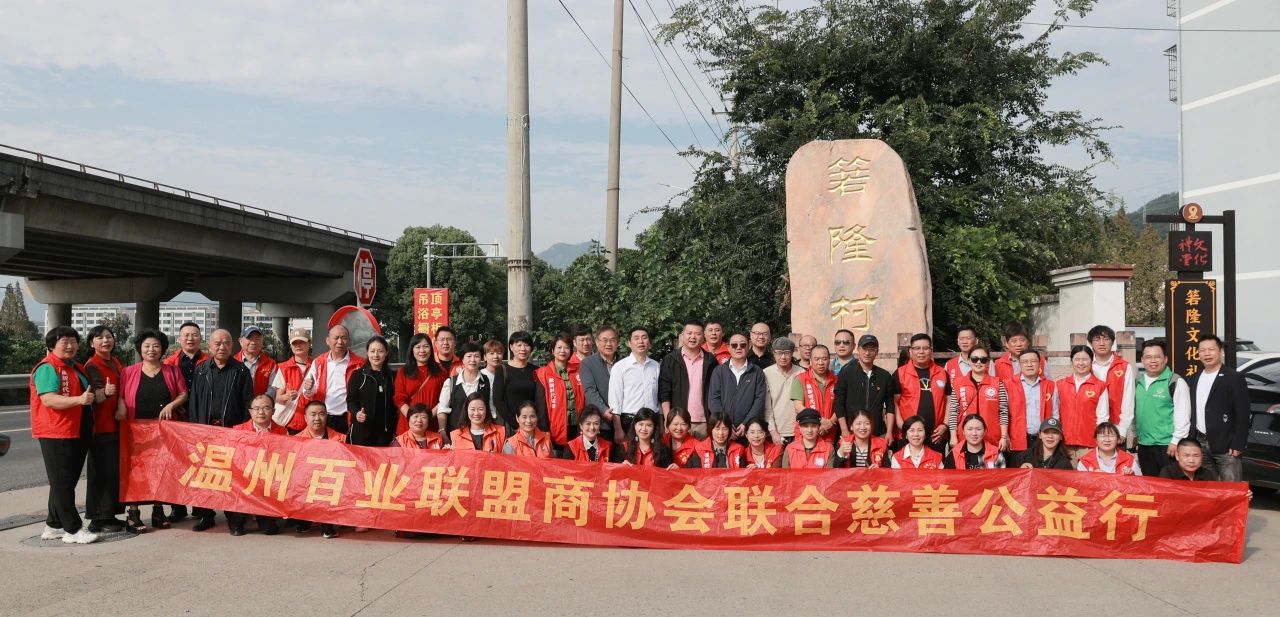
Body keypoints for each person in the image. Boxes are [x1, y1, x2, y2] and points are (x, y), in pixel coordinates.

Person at [30, 326, 100, 544]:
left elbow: (86, 395)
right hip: (56, 431)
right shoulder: (47, 368)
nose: (70, 346)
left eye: (73, 341)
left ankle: (53, 525)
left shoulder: (76, 367)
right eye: (64, 342)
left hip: (77, 429)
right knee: (62, 481)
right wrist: (78, 400)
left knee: (65, 482)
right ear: (52, 345)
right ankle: (73, 529)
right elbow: (49, 398)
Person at [116, 328, 188, 530]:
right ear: (140, 349)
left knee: (161, 470)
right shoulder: (129, 372)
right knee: (135, 471)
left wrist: (171, 405)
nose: (151, 350)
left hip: (163, 429)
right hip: (135, 429)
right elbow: (121, 396)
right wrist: (121, 406)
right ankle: (133, 513)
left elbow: (183, 394)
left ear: (163, 349)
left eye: (156, 346)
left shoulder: (172, 371)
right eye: (146, 346)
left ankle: (158, 511)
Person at [188, 328, 254, 532]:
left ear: (232, 346)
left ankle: (235, 519)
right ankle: (205, 515)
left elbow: (247, 403)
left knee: (232, 477)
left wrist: (242, 430)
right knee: (205, 475)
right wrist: (195, 428)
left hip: (231, 431)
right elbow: (194, 402)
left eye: (226, 342)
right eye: (217, 343)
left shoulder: (241, 371)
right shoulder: (201, 370)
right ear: (209, 346)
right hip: (206, 430)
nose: (221, 346)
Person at [1187, 335, 1251, 482]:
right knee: (1207, 490)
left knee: (1230, 490)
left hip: (1227, 445)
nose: (1207, 354)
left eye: (1211, 349)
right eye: (1202, 350)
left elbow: (1243, 412)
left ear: (1220, 351)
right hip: (1200, 443)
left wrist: (1238, 442)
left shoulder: (1234, 377)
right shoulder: (1196, 377)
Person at [82, 325, 128, 533]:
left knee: (112, 472)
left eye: (108, 337)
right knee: (101, 472)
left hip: (116, 425)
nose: (105, 341)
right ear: (91, 343)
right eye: (99, 338)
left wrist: (118, 400)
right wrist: (107, 393)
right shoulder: (92, 365)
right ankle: (98, 518)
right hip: (101, 427)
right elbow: (96, 395)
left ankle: (109, 514)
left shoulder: (114, 361)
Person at [1124, 339, 1191, 478]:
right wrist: (1135, 434)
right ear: (1142, 359)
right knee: (1151, 487)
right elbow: (1136, 412)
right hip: (1144, 445)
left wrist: (1176, 441)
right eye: (1148, 357)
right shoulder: (1139, 383)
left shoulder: (1175, 381)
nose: (1152, 361)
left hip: (1167, 446)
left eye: (1157, 357)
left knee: (1170, 487)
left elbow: (1183, 414)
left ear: (1165, 359)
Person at [228, 395, 286, 536]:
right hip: (243, 481)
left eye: (266, 408)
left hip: (267, 483)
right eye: (257, 408)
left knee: (269, 530)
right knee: (237, 528)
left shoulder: (282, 432)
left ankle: (263, 516)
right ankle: (237, 520)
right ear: (250, 412)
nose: (261, 412)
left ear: (273, 411)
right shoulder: (237, 430)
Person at [298, 325, 365, 435]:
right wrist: (308, 388)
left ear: (349, 340)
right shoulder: (319, 362)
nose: (340, 342)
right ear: (328, 340)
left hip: (348, 417)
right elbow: (308, 394)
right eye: (336, 338)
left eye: (344, 338)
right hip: (324, 418)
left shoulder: (360, 364)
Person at [294, 401, 345, 538]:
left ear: (326, 417)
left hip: (330, 483)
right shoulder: (295, 441)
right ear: (305, 417)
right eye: (313, 414)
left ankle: (327, 524)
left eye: (321, 414)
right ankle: (304, 519)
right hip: (305, 483)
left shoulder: (340, 439)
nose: (317, 418)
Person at [658, 319, 717, 437]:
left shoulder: (711, 361)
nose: (693, 337)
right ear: (682, 335)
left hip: (703, 422)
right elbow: (664, 392)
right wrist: (668, 420)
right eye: (689, 333)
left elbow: (716, 393)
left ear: (703, 337)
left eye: (697, 334)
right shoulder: (670, 360)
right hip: (677, 422)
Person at [945, 343, 1009, 452]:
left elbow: (1003, 412)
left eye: (983, 360)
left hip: (992, 438)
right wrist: (953, 435)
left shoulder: (997, 383)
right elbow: (954, 412)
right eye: (975, 359)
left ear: (988, 362)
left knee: (991, 467)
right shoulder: (957, 383)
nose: (979, 362)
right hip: (965, 437)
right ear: (969, 361)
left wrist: (1003, 437)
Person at [833, 334, 897, 440]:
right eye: (864, 349)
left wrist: (889, 431)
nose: (867, 353)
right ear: (858, 349)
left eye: (871, 349)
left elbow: (890, 405)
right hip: (852, 432)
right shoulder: (846, 373)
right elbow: (838, 403)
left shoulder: (884, 376)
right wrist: (844, 429)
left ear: (877, 352)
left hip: (877, 433)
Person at [894, 333, 950, 451]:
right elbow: (894, 403)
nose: (921, 352)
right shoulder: (900, 373)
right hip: (909, 435)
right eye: (917, 348)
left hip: (936, 435)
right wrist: (904, 427)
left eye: (925, 348)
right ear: (910, 351)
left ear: (931, 351)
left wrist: (945, 425)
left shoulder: (942, 373)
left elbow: (949, 400)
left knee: (936, 468)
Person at [708, 333, 767, 441]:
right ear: (728, 348)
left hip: (748, 430)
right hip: (723, 431)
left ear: (749, 346)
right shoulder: (719, 371)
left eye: (742, 345)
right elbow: (713, 399)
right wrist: (725, 425)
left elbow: (760, 400)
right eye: (734, 345)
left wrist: (746, 423)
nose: (738, 348)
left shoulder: (757, 372)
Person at [1057, 345, 1109, 465]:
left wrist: (1099, 441)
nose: (1081, 363)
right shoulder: (1061, 384)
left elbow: (1103, 417)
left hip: (1089, 444)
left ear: (1092, 361)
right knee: (1066, 480)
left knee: (1086, 480)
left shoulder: (1100, 386)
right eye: (1077, 359)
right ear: (1072, 362)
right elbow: (1056, 413)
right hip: (1065, 444)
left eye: (1085, 359)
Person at [608, 327, 660, 444]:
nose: (641, 341)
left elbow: (658, 400)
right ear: (629, 343)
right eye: (636, 338)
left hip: (651, 421)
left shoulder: (655, 366)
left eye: (644, 338)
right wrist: (618, 429)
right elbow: (615, 402)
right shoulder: (620, 367)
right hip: (629, 422)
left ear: (649, 342)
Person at [1006, 349, 1059, 463]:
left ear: (1039, 363)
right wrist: (1005, 436)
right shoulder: (1008, 384)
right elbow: (1003, 413)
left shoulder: (1049, 385)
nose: (1029, 365)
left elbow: (1055, 414)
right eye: (1025, 362)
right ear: (1019, 365)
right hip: (1017, 440)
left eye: (1033, 361)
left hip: (1042, 440)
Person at [533, 334, 582, 450]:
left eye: (566, 347)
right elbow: (541, 406)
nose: (563, 351)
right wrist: (544, 430)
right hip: (554, 427)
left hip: (577, 426)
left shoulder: (579, 370)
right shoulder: (543, 373)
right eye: (559, 347)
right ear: (552, 350)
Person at [439, 342, 494, 445]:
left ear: (481, 359)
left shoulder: (487, 381)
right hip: (456, 435)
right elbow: (442, 409)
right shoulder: (450, 383)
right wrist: (443, 432)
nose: (472, 360)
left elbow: (491, 408)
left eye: (476, 356)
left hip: (482, 436)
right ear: (462, 359)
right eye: (469, 356)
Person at [347, 336, 397, 447]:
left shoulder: (393, 377)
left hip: (385, 433)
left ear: (386, 353)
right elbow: (350, 401)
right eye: (372, 351)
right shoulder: (358, 375)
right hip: (361, 432)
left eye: (380, 351)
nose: (376, 355)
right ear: (367, 353)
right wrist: (357, 413)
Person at [395, 332, 447, 434]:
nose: (422, 351)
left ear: (431, 349)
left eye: (426, 346)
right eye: (418, 347)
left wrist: (427, 417)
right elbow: (399, 399)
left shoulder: (441, 372)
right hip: (408, 426)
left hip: (431, 423)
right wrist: (414, 419)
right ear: (412, 350)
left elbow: (444, 399)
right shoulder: (403, 372)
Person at [1087, 324, 1135, 427]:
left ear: (1112, 342)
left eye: (1106, 339)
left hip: (1116, 426)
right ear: (1091, 343)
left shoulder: (1124, 367)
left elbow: (1128, 400)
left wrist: (1123, 428)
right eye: (1097, 340)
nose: (1102, 343)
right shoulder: (1086, 366)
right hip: (1090, 425)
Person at [493, 330, 539, 436]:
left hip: (531, 424)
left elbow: (538, 399)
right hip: (510, 426)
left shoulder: (536, 370)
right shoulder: (502, 369)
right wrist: (516, 424)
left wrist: (533, 422)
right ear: (511, 347)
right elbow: (498, 400)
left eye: (526, 345)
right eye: (519, 345)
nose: (523, 349)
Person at [579, 326, 619, 443]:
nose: (608, 344)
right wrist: (604, 410)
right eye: (605, 340)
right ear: (596, 342)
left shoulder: (624, 363)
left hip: (622, 422)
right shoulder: (587, 364)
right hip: (599, 423)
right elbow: (590, 391)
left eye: (612, 340)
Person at [792, 343, 837, 441]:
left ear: (829, 360)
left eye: (824, 359)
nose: (821, 362)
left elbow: (841, 406)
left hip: (829, 434)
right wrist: (819, 421)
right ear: (810, 361)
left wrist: (830, 422)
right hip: (806, 435)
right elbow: (798, 406)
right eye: (816, 359)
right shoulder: (800, 379)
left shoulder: (837, 381)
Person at [763, 336, 804, 446]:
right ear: (773, 353)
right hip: (775, 431)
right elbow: (767, 406)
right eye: (779, 353)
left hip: (798, 430)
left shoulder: (801, 373)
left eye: (787, 353)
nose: (783, 357)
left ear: (792, 353)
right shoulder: (766, 373)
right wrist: (772, 431)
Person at [271, 328, 312, 434]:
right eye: (294, 343)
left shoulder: (317, 366)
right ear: (291, 346)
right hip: (287, 423)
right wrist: (286, 397)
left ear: (309, 343)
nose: (298, 345)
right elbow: (277, 398)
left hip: (310, 424)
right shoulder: (284, 367)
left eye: (301, 342)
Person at [1077, 422, 1141, 475]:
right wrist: (1092, 478)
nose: (1107, 440)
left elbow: (1140, 484)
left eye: (1111, 436)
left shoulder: (1129, 460)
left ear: (1118, 439)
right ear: (1096, 440)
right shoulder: (1085, 461)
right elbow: (1080, 486)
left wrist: (1132, 475)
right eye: (1103, 436)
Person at [164, 321, 208, 392]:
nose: (190, 338)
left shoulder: (209, 361)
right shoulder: (169, 362)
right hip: (178, 402)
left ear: (200, 338)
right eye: (186, 335)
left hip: (202, 402)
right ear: (179, 339)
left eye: (195, 335)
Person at [235, 325, 277, 397]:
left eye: (257, 339)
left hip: (261, 406)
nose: (253, 342)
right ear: (240, 341)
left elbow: (273, 387)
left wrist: (261, 402)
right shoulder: (233, 362)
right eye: (249, 338)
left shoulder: (271, 364)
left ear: (262, 341)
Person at [480, 339, 506, 419]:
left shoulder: (507, 374)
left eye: (499, 353)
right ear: (484, 357)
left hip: (504, 419)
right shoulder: (480, 376)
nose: (495, 356)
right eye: (491, 353)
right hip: (485, 419)